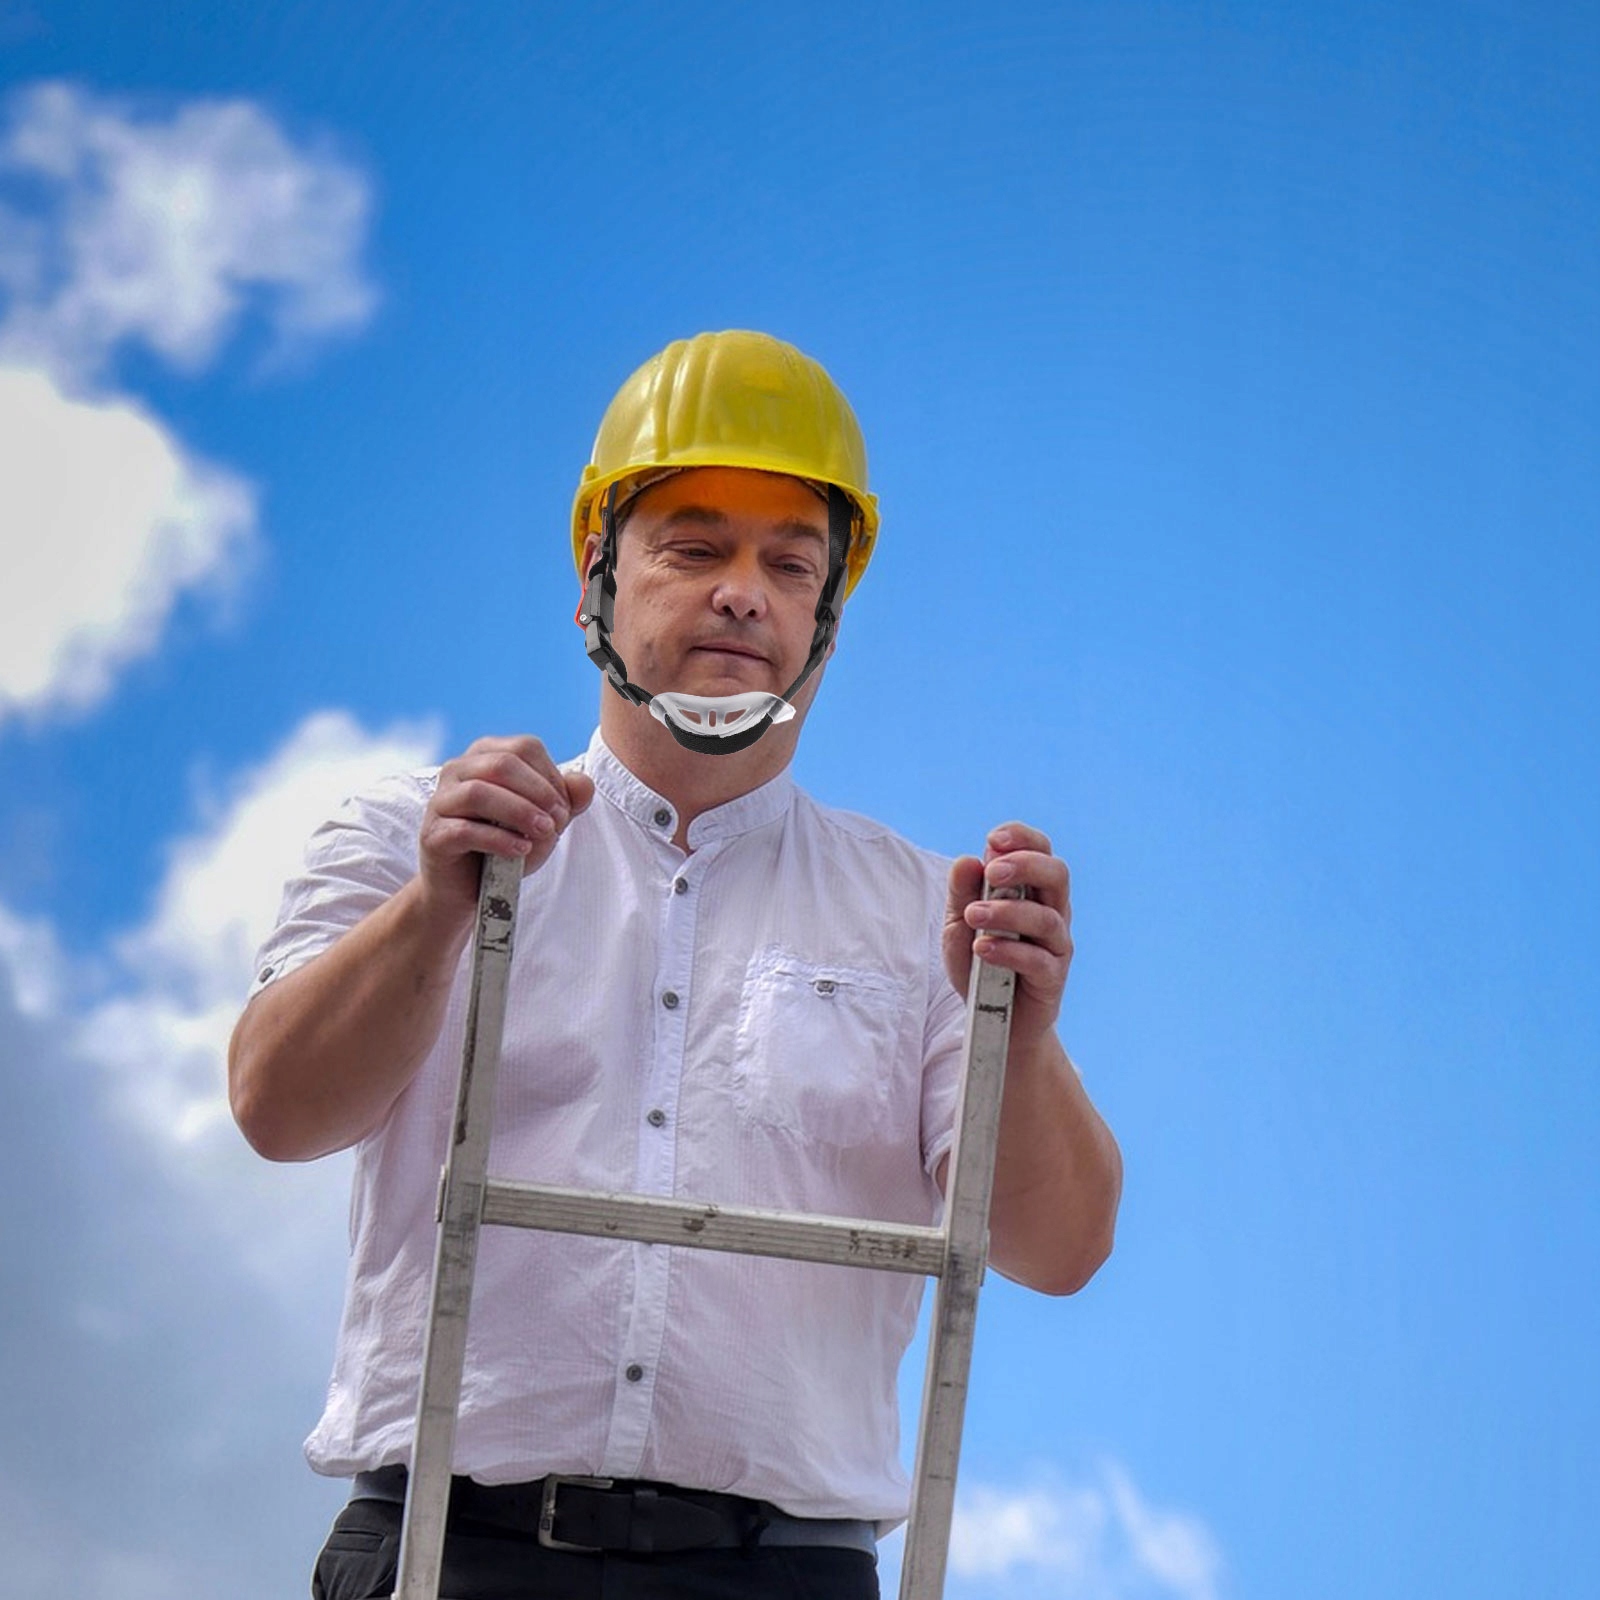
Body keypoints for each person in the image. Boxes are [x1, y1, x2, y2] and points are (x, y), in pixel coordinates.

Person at [229, 329, 1122, 1600]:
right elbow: (275, 1107)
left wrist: (1020, 1035)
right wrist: (435, 906)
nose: (743, 592)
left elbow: (1063, 1247)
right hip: (448, 1550)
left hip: (784, 1573)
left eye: (788, 563)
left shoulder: (924, 913)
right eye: (694, 547)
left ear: (824, 614)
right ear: (594, 576)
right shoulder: (413, 838)